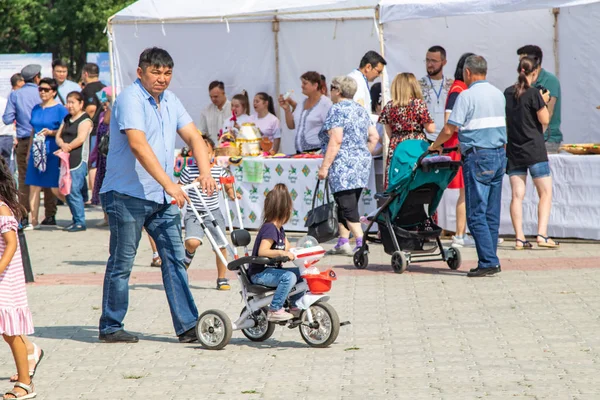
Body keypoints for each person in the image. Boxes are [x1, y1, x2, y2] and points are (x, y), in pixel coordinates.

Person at [98, 47, 217, 343]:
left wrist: (205, 172)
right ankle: (111, 326)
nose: (162, 79)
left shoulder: (171, 101)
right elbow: (138, 145)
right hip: (125, 194)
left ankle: (188, 326)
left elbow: (194, 137)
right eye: (155, 72)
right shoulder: (129, 99)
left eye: (167, 73)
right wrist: (170, 184)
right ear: (140, 72)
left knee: (175, 258)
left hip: (161, 199)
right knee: (122, 262)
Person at [429, 55, 507, 278]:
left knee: (476, 214)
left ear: (468, 73)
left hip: (478, 156)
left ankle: (488, 261)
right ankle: (491, 259)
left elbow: (449, 129)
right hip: (498, 155)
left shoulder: (466, 95)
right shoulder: (497, 93)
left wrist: (435, 146)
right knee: (491, 212)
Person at [319, 76, 380, 256]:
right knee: (345, 203)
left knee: (347, 205)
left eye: (331, 88)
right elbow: (374, 137)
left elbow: (336, 139)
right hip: (360, 164)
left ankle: (361, 241)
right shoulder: (361, 109)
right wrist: (362, 153)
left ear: (338, 91)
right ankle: (343, 241)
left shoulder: (336, 110)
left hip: (342, 163)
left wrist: (324, 166)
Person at [505, 56, 559, 250]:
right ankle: (542, 234)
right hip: (534, 149)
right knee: (545, 193)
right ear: (534, 72)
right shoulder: (534, 93)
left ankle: (519, 238)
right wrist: (543, 102)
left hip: (514, 149)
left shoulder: (508, 92)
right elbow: (544, 120)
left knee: (517, 195)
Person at [179, 136, 240, 290]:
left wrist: (232, 193)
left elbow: (228, 186)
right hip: (194, 213)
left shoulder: (219, 171)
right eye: (198, 152)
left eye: (206, 153)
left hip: (213, 212)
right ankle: (187, 255)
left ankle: (222, 278)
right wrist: (190, 185)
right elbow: (179, 187)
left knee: (221, 246)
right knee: (192, 242)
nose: (202, 156)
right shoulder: (188, 170)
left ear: (212, 155)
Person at [0, 157, 39, 400]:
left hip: (5, 279)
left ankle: (25, 383)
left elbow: (12, 245)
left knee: (11, 333)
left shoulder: (1, 208)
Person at [2, 65, 50, 230]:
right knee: (48, 176)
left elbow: (7, 118)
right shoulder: (43, 92)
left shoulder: (15, 95)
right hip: (46, 139)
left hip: (24, 140)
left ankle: (23, 216)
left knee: (23, 179)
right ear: (37, 77)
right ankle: (50, 214)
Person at [247, 184, 301, 322]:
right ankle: (275, 309)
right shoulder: (269, 228)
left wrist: (302, 251)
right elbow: (262, 251)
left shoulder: (279, 229)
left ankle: (294, 305)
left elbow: (288, 247)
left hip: (271, 272)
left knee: (303, 273)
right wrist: (281, 253)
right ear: (284, 209)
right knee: (289, 277)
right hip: (260, 274)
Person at [25, 78, 69, 229]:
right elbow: (33, 130)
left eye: (46, 89)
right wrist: (29, 151)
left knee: (55, 188)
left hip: (51, 150)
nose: (42, 92)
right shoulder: (36, 108)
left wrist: (52, 132)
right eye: (40, 89)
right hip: (37, 150)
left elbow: (67, 129)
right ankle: (34, 220)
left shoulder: (60, 109)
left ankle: (76, 212)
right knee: (34, 186)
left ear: (53, 92)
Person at [379, 72, 435, 189]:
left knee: (398, 183)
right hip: (416, 146)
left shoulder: (389, 107)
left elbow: (389, 133)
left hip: (397, 147)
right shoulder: (418, 104)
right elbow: (431, 129)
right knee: (418, 182)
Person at [444, 52, 475, 248]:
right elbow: (448, 122)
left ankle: (464, 233)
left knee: (467, 193)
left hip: (460, 145)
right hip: (458, 146)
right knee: (465, 193)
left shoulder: (462, 89)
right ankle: (459, 235)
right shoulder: (458, 90)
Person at [55, 92, 93, 232]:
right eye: (68, 102)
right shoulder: (66, 119)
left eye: (72, 102)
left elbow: (81, 139)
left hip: (78, 159)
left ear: (81, 103)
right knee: (66, 190)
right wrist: (62, 144)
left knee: (73, 190)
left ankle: (80, 222)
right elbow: (58, 136)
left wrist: (68, 147)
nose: (69, 105)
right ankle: (75, 218)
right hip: (65, 159)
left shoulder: (85, 120)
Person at [517, 45, 561, 153]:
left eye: (523, 61)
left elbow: (548, 113)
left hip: (546, 139)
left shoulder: (550, 80)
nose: (521, 66)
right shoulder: (524, 82)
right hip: (528, 138)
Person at [279, 71, 333, 153]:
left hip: (317, 152)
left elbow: (331, 130)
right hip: (300, 152)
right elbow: (291, 125)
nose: (302, 86)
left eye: (305, 83)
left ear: (315, 85)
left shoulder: (325, 104)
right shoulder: (302, 103)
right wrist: (287, 110)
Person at [81, 63, 106, 204]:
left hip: (93, 129)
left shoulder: (88, 89)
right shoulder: (103, 87)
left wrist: (85, 123)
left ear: (85, 73)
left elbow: (91, 108)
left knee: (93, 163)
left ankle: (93, 196)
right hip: (103, 128)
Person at [419, 46, 453, 142]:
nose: (429, 64)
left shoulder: (451, 85)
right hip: (425, 138)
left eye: (434, 61)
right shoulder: (418, 85)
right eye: (427, 60)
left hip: (447, 137)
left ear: (444, 62)